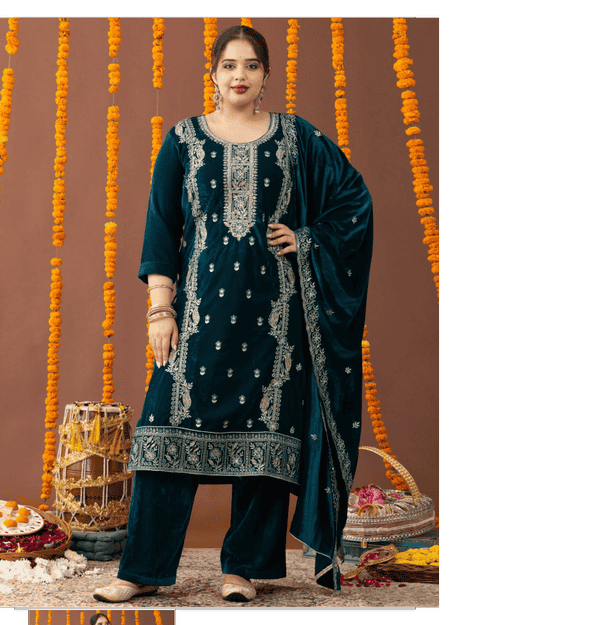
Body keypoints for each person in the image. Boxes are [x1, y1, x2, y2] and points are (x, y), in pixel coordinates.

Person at [94, 24, 373, 604]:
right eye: (229, 65)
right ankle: (140, 569)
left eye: (251, 65)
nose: (239, 75)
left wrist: (307, 238)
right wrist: (160, 309)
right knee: (163, 432)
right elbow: (161, 227)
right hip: (197, 312)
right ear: (214, 74)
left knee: (266, 445)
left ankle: (241, 569)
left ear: (266, 75)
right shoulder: (183, 138)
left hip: (275, 318)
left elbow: (353, 202)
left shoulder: (296, 137)